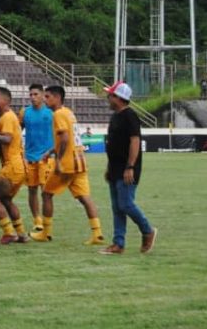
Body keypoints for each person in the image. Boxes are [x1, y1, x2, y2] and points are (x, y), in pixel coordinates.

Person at [30, 85, 105, 245]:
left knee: (46, 194)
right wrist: (50, 151)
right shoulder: (69, 113)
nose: (45, 99)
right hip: (79, 162)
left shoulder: (58, 114)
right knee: (85, 198)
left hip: (66, 164)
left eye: (48, 96)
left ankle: (46, 233)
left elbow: (64, 138)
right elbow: (68, 138)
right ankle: (97, 234)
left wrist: (57, 160)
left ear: (57, 98)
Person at [99, 82, 157, 255]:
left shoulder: (129, 116)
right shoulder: (115, 116)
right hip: (115, 168)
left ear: (119, 98)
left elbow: (135, 141)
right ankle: (118, 244)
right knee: (117, 207)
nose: (108, 97)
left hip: (127, 168)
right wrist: (109, 167)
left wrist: (130, 166)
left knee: (125, 204)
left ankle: (148, 230)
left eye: (110, 95)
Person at [0, 87, 29, 244]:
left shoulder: (7, 117)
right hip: (20, 167)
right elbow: (3, 135)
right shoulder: (7, 117)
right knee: (6, 200)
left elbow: (7, 139)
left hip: (12, 166)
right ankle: (22, 234)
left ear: (6, 100)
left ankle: (9, 233)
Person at [18, 83, 54, 232]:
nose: (33, 97)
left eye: (36, 94)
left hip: (46, 158)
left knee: (46, 192)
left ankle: (47, 225)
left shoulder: (51, 113)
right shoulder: (25, 112)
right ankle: (37, 220)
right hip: (30, 157)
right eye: (31, 95)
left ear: (43, 95)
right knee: (32, 190)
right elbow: (17, 130)